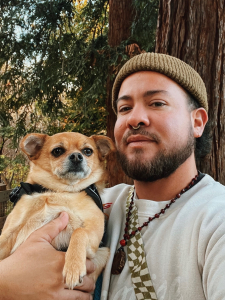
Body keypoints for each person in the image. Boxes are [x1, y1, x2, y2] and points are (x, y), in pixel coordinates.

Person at [0, 52, 225, 300]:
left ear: (197, 122)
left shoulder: (216, 218)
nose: (135, 118)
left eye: (157, 103)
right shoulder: (103, 200)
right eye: (124, 108)